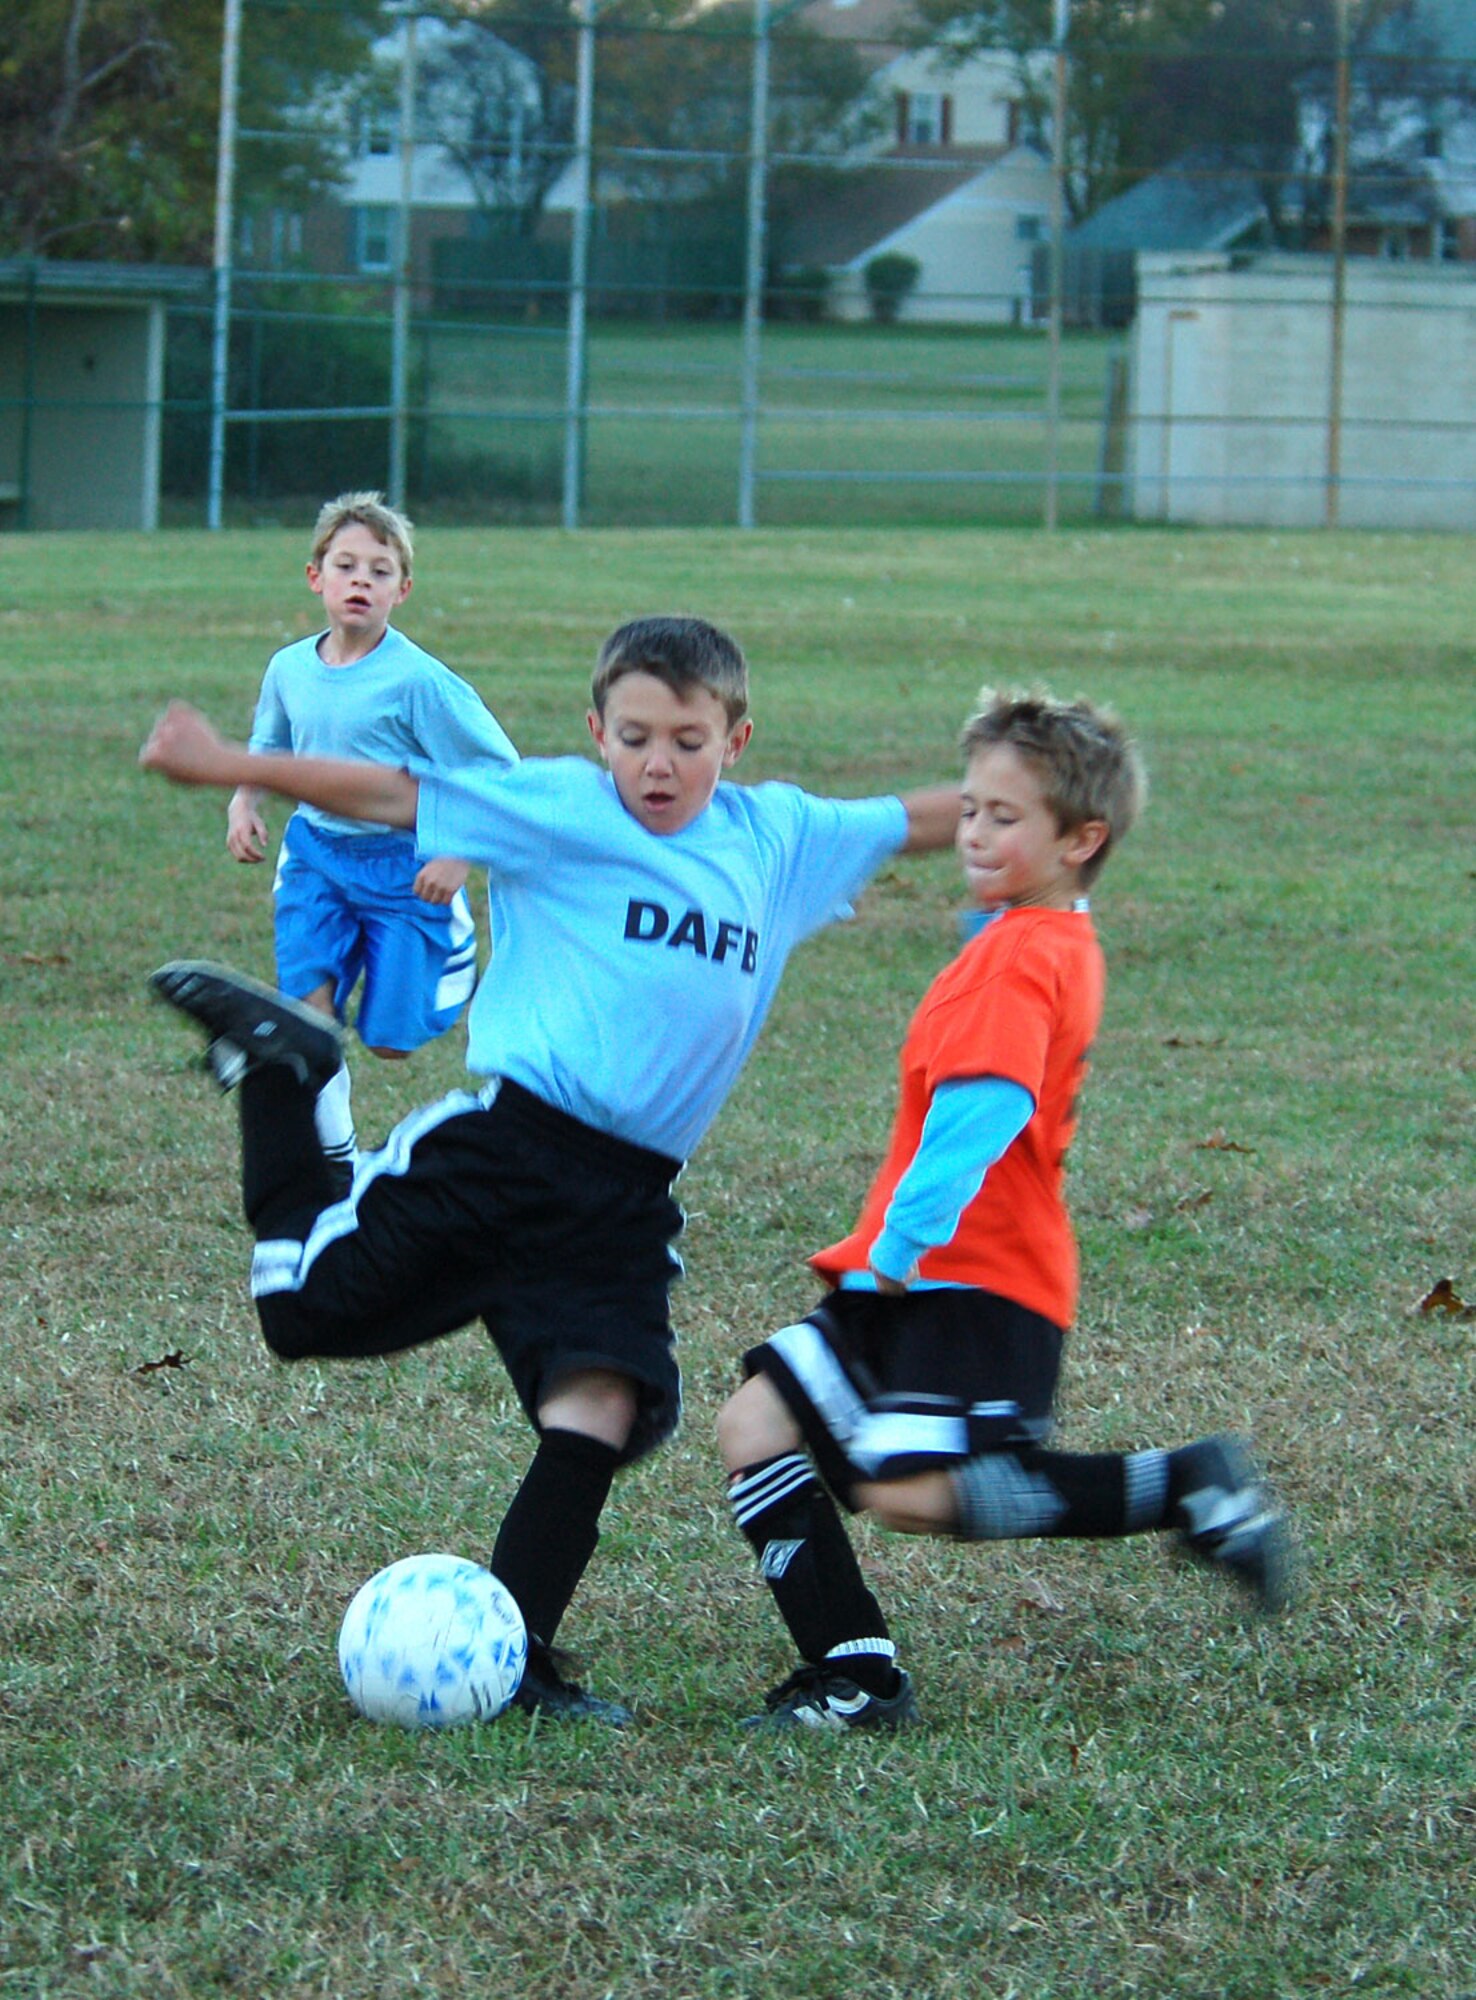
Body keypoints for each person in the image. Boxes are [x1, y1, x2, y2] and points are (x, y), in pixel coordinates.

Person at [138, 615, 961, 1726]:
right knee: (297, 1313)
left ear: (737, 738)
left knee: (599, 1408)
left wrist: (1038, 818)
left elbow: (915, 818)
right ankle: (288, 1069)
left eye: (686, 738)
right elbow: (387, 789)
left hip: (625, 1196)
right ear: (597, 731)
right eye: (633, 736)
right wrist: (228, 765)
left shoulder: (780, 837)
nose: (657, 763)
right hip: (508, 1151)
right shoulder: (560, 803)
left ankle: (514, 1660)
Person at [717, 688, 1292, 1734]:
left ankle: (1185, 1484)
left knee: (908, 1490)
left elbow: (985, 1113)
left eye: (1005, 817)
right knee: (756, 1423)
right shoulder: (1041, 932)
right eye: (971, 809)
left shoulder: (1028, 954)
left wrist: (898, 1244)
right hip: (911, 1270)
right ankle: (855, 1670)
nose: (974, 832)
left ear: (1082, 839)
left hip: (969, 1280)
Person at [226, 491, 518, 1181]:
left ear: (403, 590)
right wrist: (244, 802)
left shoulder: (420, 683)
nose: (361, 581)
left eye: (379, 571)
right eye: (346, 565)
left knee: (389, 1041)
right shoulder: (289, 668)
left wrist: (456, 852)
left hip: (404, 868)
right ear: (315, 577)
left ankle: (448, 949)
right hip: (316, 858)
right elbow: (268, 748)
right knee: (310, 1017)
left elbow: (499, 773)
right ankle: (336, 1156)